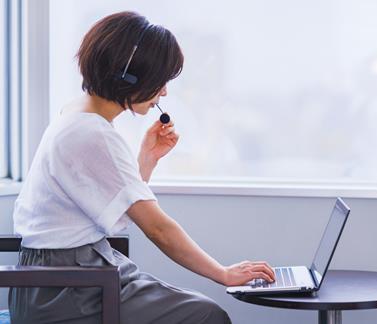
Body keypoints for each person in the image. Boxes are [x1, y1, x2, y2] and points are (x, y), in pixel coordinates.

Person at [8, 11, 275, 324]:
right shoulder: (92, 132)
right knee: (207, 315)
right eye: (160, 81)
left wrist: (146, 159)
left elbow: (112, 210)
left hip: (63, 277)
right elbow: (157, 228)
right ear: (130, 77)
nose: (164, 92)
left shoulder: (77, 115)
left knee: (196, 308)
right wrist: (222, 273)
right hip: (68, 288)